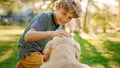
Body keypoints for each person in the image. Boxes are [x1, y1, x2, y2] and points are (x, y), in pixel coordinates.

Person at [16, 0, 81, 68]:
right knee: (55, 65)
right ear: (56, 8)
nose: (65, 19)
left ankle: (23, 66)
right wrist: (51, 33)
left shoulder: (58, 25)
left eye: (69, 17)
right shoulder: (45, 17)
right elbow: (28, 36)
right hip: (28, 52)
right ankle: (25, 63)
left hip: (41, 52)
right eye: (64, 13)